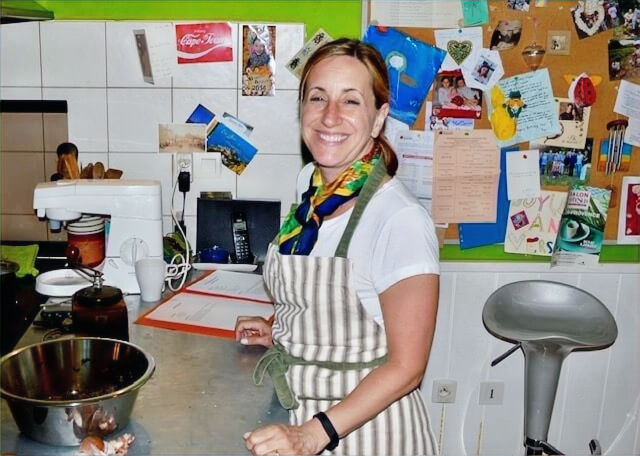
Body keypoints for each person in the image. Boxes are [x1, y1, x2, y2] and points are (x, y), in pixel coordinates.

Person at [235, 38, 440, 456]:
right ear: (302, 109)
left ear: (379, 117)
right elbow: (333, 298)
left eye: (350, 101)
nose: (330, 117)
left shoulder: (398, 219)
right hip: (297, 413)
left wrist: (313, 435)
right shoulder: (311, 184)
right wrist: (281, 329)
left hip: (365, 435)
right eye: (318, 98)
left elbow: (408, 367)